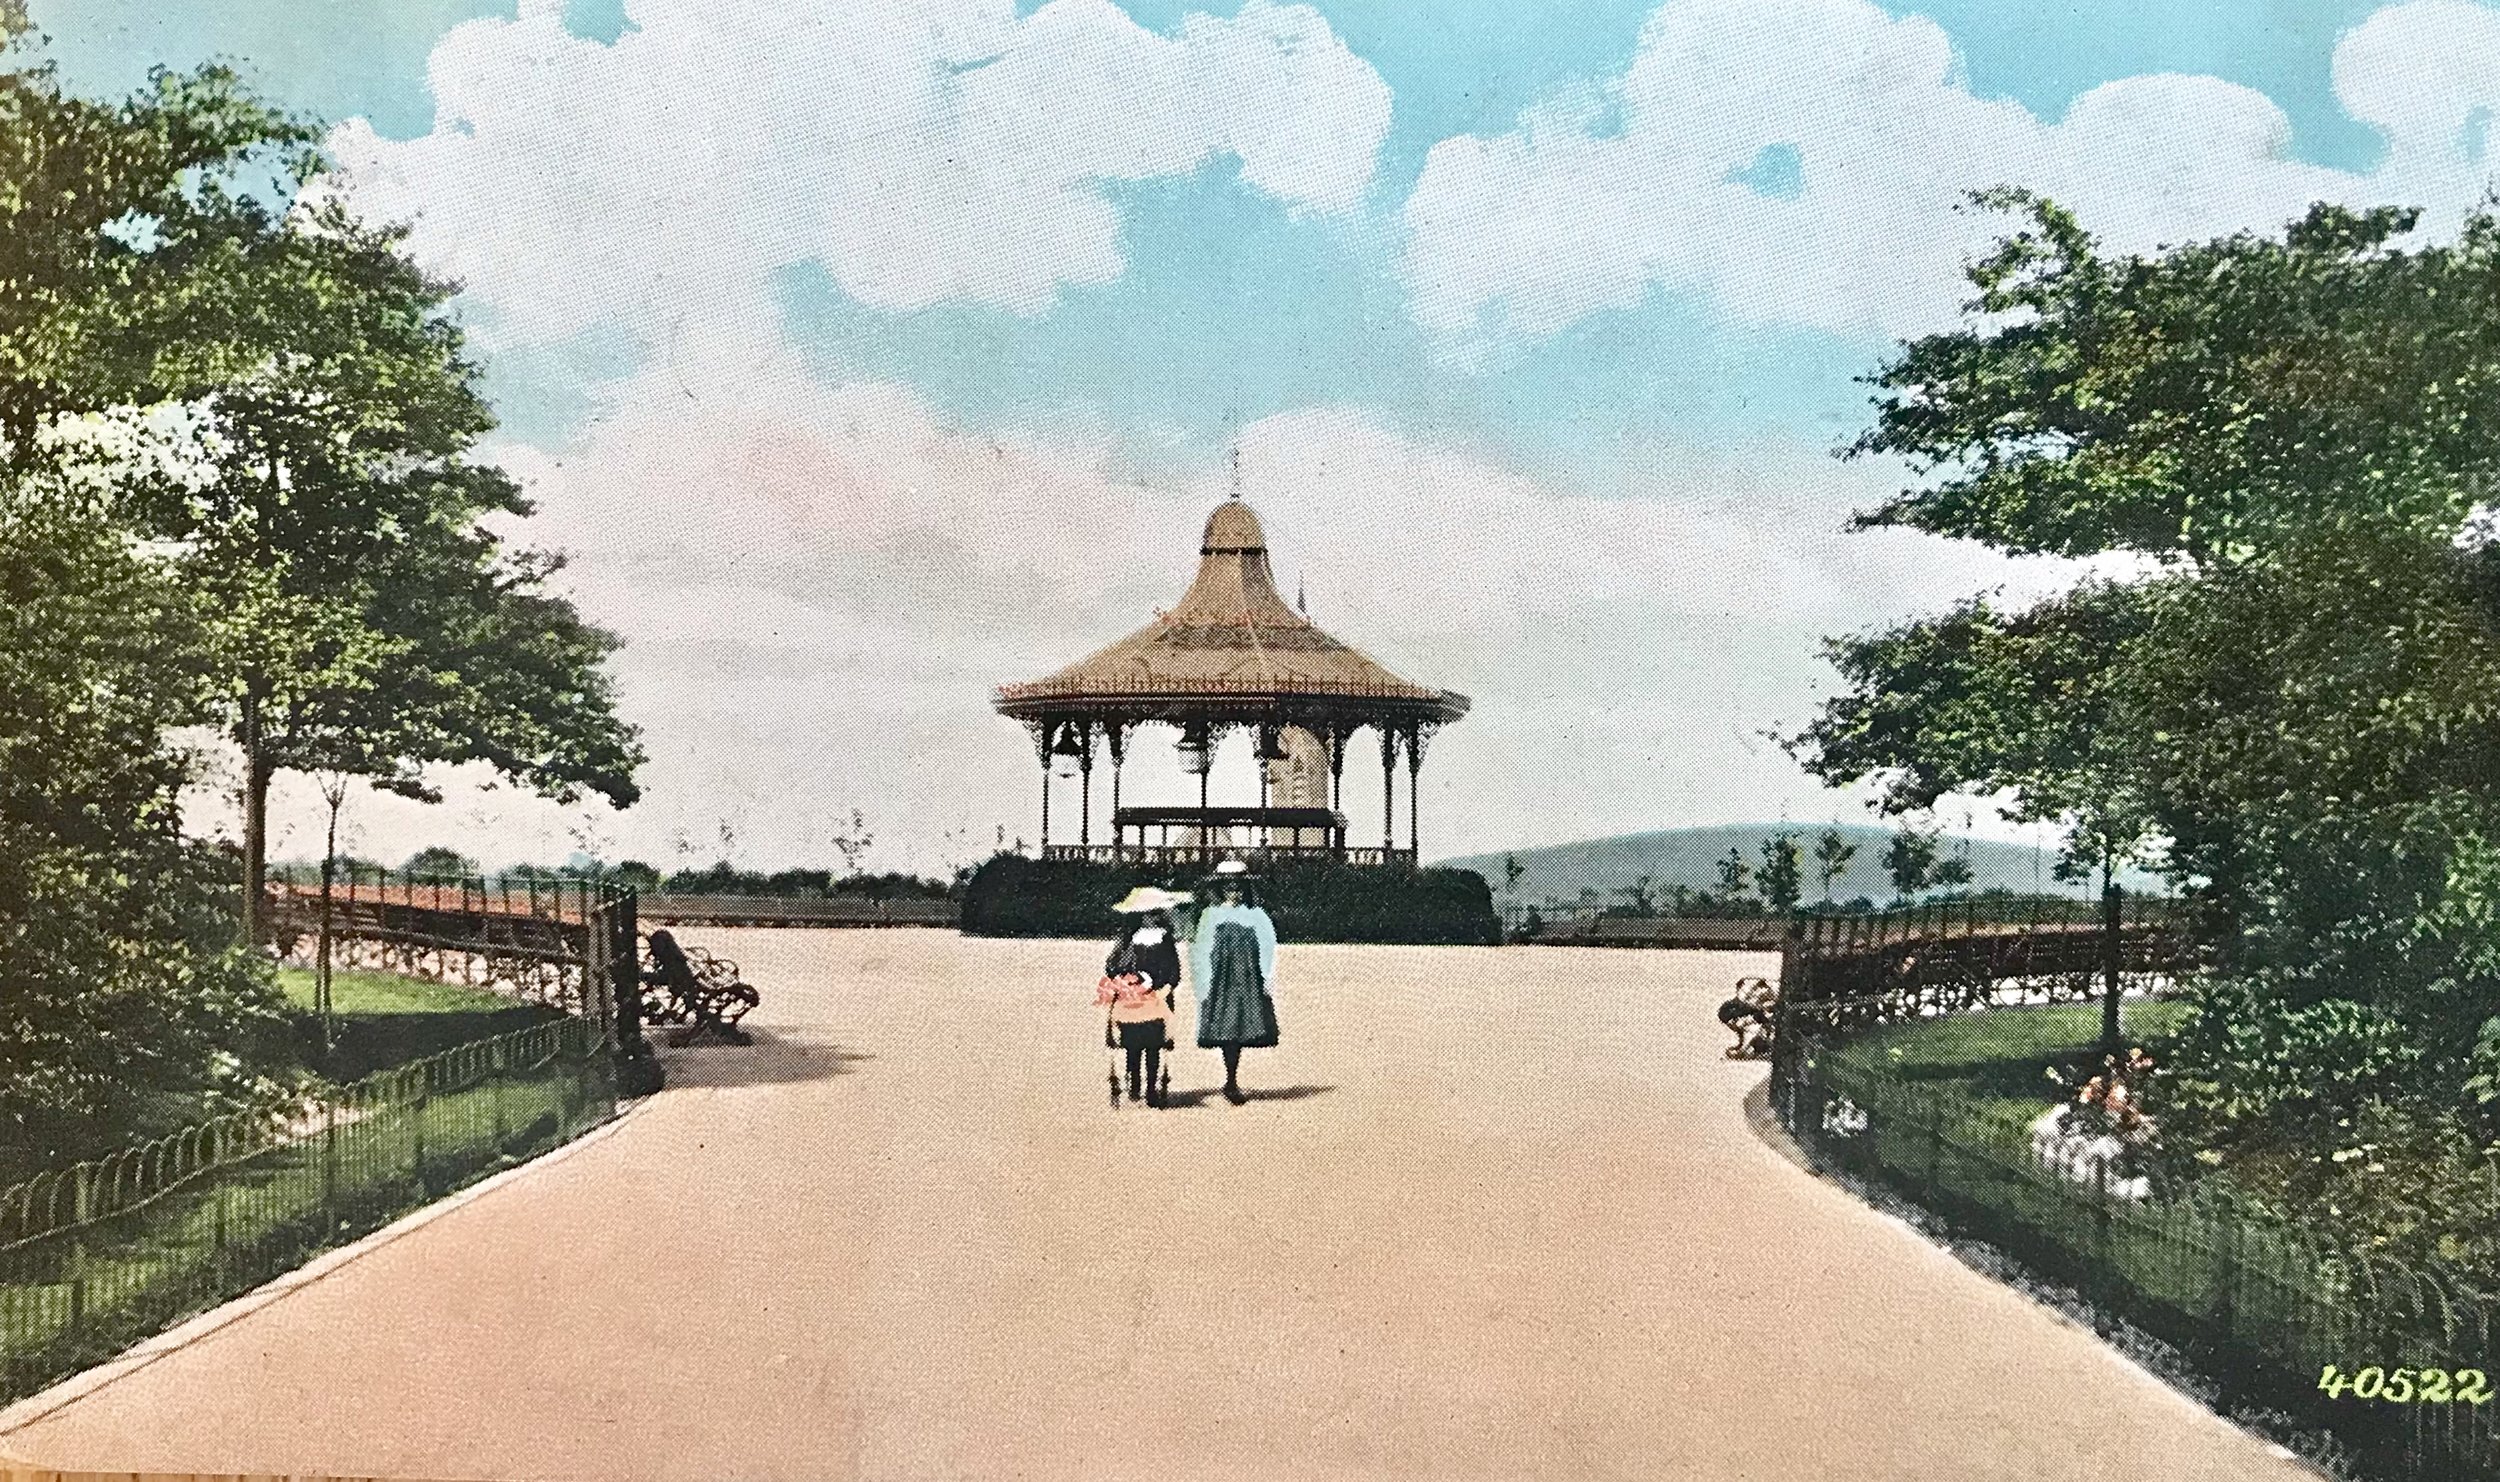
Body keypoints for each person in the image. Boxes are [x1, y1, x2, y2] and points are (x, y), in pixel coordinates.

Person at [1190, 860, 1278, 1106]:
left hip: (1247, 979)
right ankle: (1229, 1077)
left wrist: (1267, 978)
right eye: (1229, 888)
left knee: (1240, 1029)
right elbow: (1201, 948)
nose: (1234, 892)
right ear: (1220, 889)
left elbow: (1267, 946)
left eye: (1238, 887)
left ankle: (1231, 1079)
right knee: (1225, 1029)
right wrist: (1202, 981)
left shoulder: (1255, 915)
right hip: (1221, 980)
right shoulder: (1211, 914)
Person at [1100, 885, 1189, 1106]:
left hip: (1157, 997)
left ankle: (1151, 1087)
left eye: (1156, 913)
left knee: (1154, 1045)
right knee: (1132, 1044)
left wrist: (1167, 987)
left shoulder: (1165, 939)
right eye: (1147, 913)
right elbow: (1112, 966)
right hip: (1132, 998)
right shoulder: (1128, 939)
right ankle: (1134, 1082)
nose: (1151, 918)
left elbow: (1174, 969)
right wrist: (1124, 980)